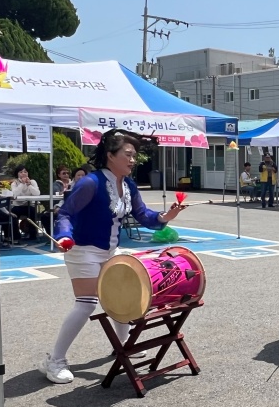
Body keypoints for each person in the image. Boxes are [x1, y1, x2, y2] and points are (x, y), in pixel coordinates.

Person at [39, 129, 185, 384]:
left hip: (109, 250)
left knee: (124, 294)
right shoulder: (90, 183)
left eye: (134, 156)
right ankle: (54, 361)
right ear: (110, 155)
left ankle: (125, 344)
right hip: (82, 250)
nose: (132, 160)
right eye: (128, 155)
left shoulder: (128, 184)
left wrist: (165, 217)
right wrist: (64, 235)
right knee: (86, 304)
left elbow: (143, 215)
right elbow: (65, 213)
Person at [10, 165, 41, 241]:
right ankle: (16, 236)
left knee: (32, 212)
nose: (23, 173)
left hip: (29, 205)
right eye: (21, 172)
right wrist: (22, 184)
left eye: (25, 172)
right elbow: (14, 194)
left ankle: (33, 235)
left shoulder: (33, 182)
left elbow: (37, 193)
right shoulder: (14, 183)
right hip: (18, 206)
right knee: (13, 215)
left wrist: (29, 185)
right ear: (17, 174)